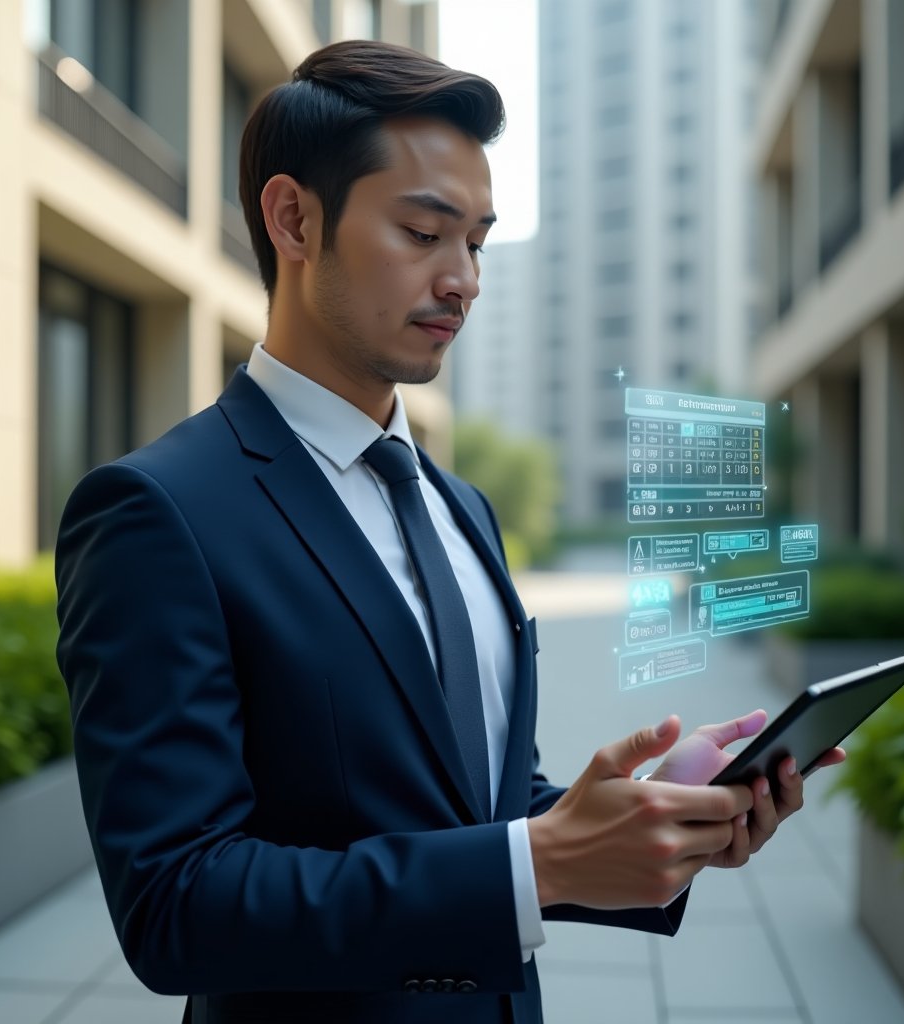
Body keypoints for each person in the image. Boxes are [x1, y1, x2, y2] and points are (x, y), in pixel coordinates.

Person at [55, 40, 843, 1024]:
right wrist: (536, 860)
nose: (463, 279)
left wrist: (651, 816)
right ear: (294, 219)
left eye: (475, 241)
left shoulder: (460, 507)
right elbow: (176, 903)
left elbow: (476, 800)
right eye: (424, 232)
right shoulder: (154, 511)